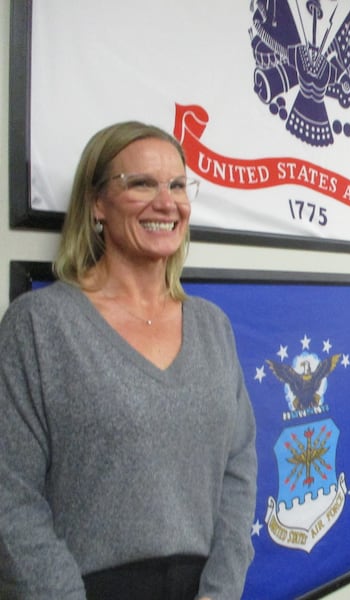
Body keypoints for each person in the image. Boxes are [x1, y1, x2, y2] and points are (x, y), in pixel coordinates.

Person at [0, 122, 257, 599]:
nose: (166, 202)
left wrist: (221, 593)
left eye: (178, 185)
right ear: (97, 203)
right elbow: (10, 497)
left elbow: (238, 469)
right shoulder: (39, 326)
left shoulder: (212, 326)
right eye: (141, 184)